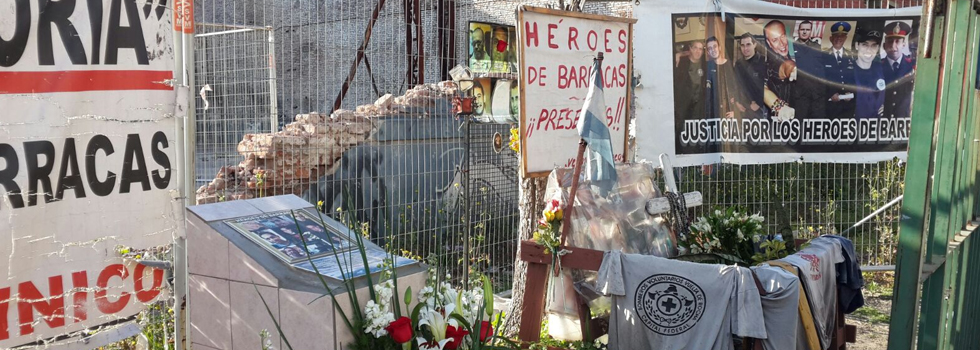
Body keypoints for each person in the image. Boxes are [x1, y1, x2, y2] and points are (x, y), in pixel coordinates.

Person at [763, 20, 826, 121]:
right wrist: (792, 69)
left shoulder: (810, 48)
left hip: (811, 104)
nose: (782, 43)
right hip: (786, 116)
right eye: (775, 40)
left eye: (783, 36)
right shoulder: (771, 63)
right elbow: (785, 66)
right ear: (769, 44)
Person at [882, 21, 915, 119]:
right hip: (882, 122)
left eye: (897, 41)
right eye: (890, 41)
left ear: (903, 44)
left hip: (904, 122)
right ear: (884, 45)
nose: (893, 46)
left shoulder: (913, 66)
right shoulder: (878, 67)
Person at [823, 22, 857, 119]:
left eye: (842, 36)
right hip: (831, 104)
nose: (839, 38)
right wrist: (830, 94)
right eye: (836, 36)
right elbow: (820, 79)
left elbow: (855, 78)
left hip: (848, 104)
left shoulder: (851, 56)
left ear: (845, 38)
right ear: (831, 38)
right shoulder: (824, 56)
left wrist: (850, 93)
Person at [852, 25, 885, 119]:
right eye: (865, 45)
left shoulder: (881, 69)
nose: (869, 50)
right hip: (852, 127)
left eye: (874, 46)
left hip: (876, 127)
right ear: (857, 45)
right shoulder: (848, 70)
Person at [705, 36, 739, 120]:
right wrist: (679, 54)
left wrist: (736, 111)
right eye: (709, 48)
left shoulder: (731, 66)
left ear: (719, 47)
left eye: (714, 46)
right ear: (708, 52)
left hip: (728, 113)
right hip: (713, 114)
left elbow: (739, 90)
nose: (713, 50)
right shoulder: (707, 66)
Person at [734, 33, 767, 119]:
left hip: (760, 110)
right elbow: (735, 85)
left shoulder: (763, 62)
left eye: (748, 44)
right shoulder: (738, 64)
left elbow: (769, 86)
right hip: (742, 110)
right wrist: (737, 102)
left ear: (755, 44)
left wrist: (759, 103)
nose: (745, 48)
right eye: (742, 45)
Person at [674, 41, 707, 122]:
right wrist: (678, 55)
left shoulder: (705, 63)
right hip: (684, 106)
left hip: (699, 106)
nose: (698, 51)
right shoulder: (681, 63)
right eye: (695, 48)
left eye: (700, 49)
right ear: (690, 49)